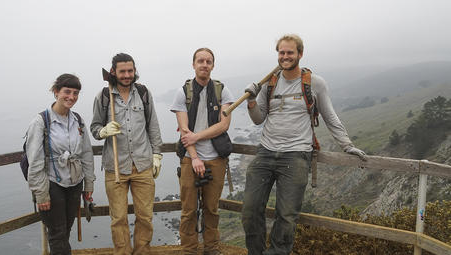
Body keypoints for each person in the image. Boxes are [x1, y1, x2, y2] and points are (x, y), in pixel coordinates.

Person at [241, 34, 368, 255]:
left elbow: (330, 117)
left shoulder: (315, 83)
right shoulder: (269, 82)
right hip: (266, 152)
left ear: (300, 54)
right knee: (250, 211)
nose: (285, 56)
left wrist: (347, 146)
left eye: (290, 52)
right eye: (281, 52)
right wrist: (251, 101)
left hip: (296, 156)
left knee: (287, 215)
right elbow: (258, 118)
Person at [90, 53, 163, 255]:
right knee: (119, 218)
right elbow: (94, 128)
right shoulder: (104, 96)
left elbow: (153, 126)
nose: (127, 75)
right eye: (122, 71)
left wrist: (157, 155)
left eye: (130, 70)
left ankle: (142, 251)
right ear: (113, 71)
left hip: (142, 165)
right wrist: (103, 131)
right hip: (115, 168)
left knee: (145, 216)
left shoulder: (143, 93)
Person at [170, 48, 234, 255]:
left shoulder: (222, 91)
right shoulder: (183, 92)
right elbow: (184, 130)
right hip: (190, 159)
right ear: (193, 64)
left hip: (216, 158)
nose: (204, 64)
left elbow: (224, 125)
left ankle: (211, 249)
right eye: (200, 61)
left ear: (213, 65)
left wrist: (197, 137)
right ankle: (188, 250)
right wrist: (195, 157)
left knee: (211, 209)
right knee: (188, 210)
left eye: (208, 61)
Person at [26, 73, 96, 255]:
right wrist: (41, 194)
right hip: (51, 184)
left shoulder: (78, 120)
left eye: (75, 93)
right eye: (67, 91)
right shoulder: (41, 122)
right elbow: (34, 161)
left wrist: (89, 184)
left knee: (65, 232)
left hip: (75, 183)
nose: (71, 97)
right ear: (56, 92)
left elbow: (86, 153)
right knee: (57, 234)